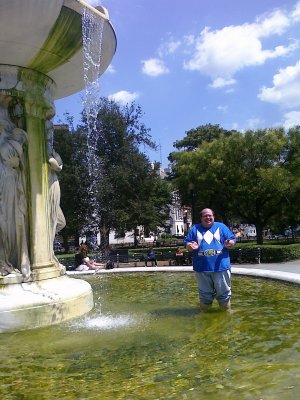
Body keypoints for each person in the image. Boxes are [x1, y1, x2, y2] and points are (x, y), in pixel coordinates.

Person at [184, 208, 236, 311]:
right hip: (202, 268)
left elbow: (232, 240)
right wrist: (190, 246)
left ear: (213, 217)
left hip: (221, 268)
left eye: (210, 215)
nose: (208, 217)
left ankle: (226, 316)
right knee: (204, 296)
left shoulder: (221, 227)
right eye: (205, 216)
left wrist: (230, 243)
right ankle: (205, 319)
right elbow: (187, 244)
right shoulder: (195, 229)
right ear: (201, 218)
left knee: (224, 294)